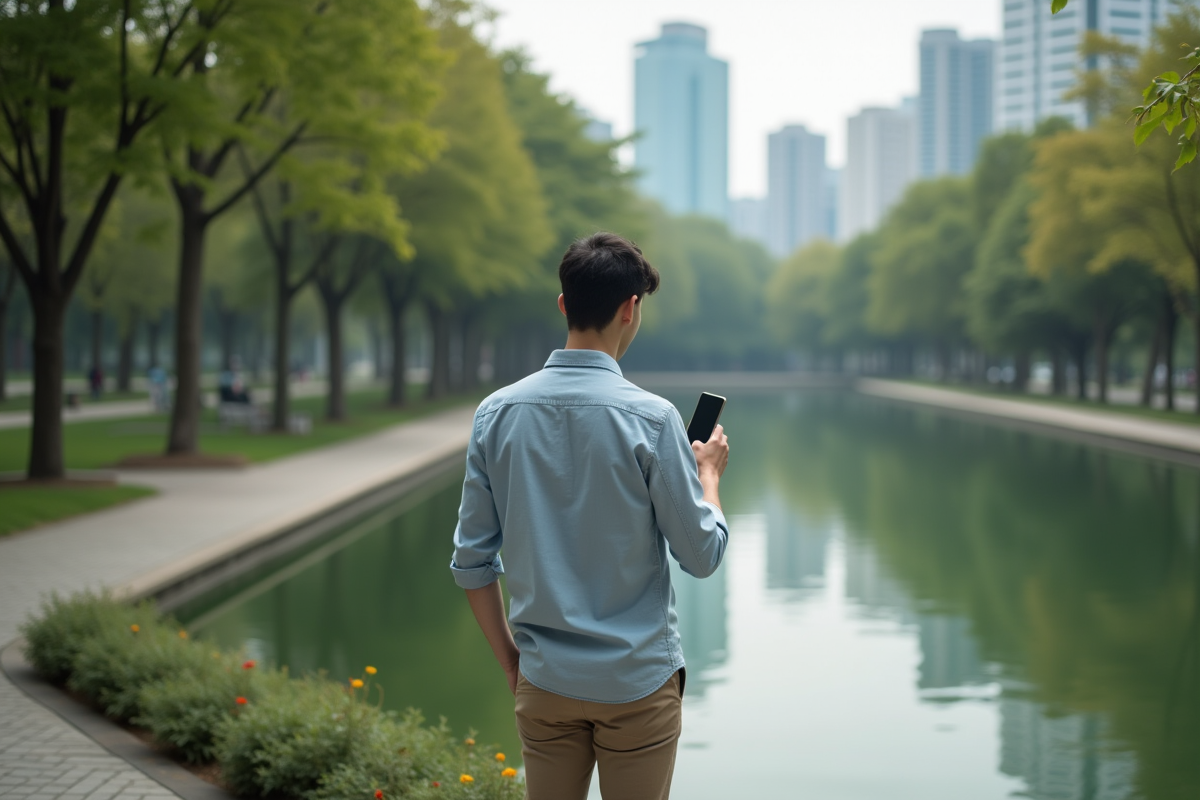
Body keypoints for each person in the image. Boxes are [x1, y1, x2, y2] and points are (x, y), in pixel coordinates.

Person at [450, 232, 730, 800]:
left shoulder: (496, 414)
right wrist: (709, 478)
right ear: (631, 309)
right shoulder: (653, 420)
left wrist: (512, 662)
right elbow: (701, 556)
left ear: (563, 305)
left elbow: (472, 562)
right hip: (637, 684)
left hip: (543, 679)